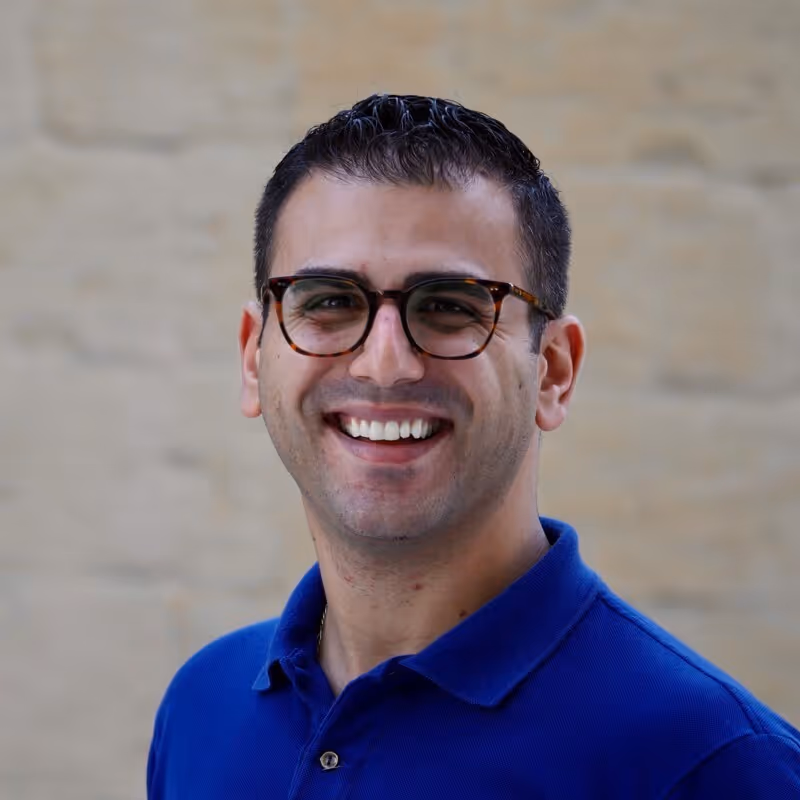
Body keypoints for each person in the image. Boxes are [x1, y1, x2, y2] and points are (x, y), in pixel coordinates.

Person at [146, 94, 800, 799]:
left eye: (451, 306)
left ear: (553, 370)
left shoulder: (718, 765)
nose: (384, 363)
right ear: (254, 358)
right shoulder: (201, 708)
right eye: (329, 300)